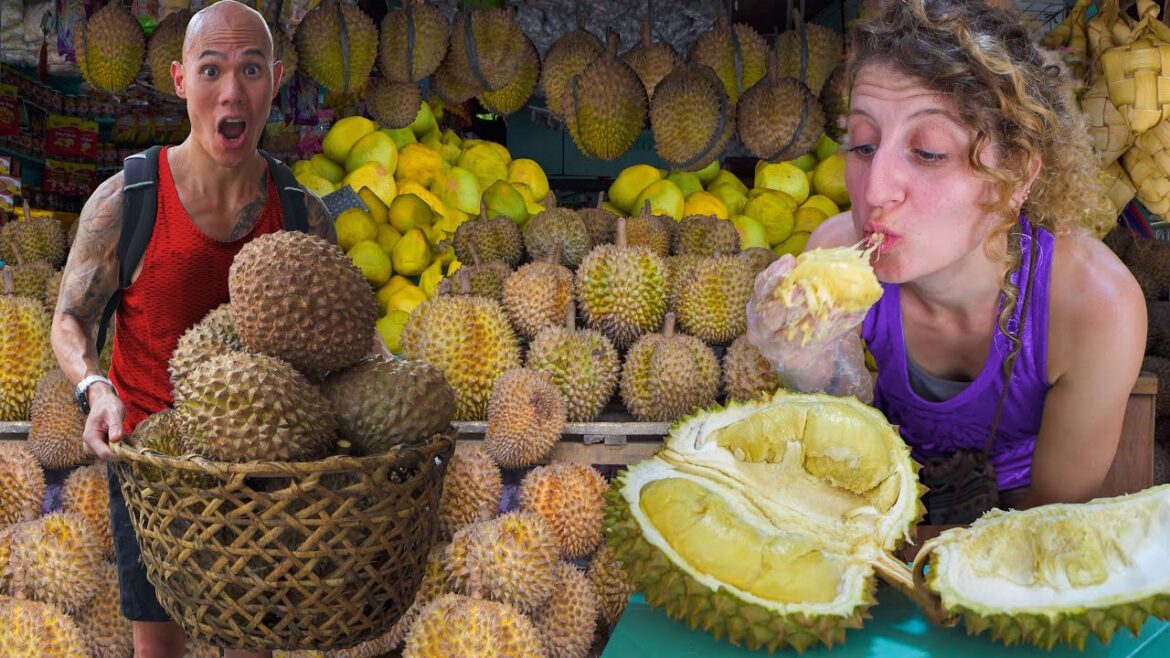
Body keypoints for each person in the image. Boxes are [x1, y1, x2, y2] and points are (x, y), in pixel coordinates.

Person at [51, 2, 384, 656]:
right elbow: (69, 319)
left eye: (250, 70)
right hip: (153, 466)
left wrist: (389, 382)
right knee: (160, 648)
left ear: (276, 79)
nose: (232, 91)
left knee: (255, 640)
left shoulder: (301, 214)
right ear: (180, 80)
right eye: (212, 71)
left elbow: (351, 338)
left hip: (264, 465)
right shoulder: (126, 202)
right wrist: (96, 388)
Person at [756, 0, 1147, 517]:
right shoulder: (832, 256)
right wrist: (804, 361)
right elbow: (843, 463)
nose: (876, 190)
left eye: (930, 152)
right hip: (883, 518)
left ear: (1019, 175)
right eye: (864, 145)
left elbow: (1050, 523)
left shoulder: (1095, 310)